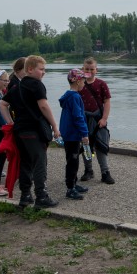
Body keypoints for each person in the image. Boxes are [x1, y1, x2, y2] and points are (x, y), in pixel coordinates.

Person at [2, 55, 60, 209]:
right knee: (40, 162)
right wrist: (55, 126)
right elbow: (43, 106)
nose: (43, 73)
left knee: (26, 163)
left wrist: (10, 122)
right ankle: (41, 196)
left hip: (20, 130)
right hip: (34, 130)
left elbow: (2, 104)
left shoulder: (16, 86)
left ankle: (25, 195)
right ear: (30, 69)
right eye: (41, 69)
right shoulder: (36, 85)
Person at [79, 57, 115, 184]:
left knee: (101, 146)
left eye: (91, 69)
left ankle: (105, 172)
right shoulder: (78, 84)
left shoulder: (101, 84)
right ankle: (88, 170)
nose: (89, 71)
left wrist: (104, 118)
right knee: (86, 146)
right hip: (83, 120)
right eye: (86, 69)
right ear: (82, 70)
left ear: (96, 70)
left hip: (99, 119)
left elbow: (107, 102)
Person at [58, 68, 92, 201]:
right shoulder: (75, 97)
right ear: (77, 81)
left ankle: (74, 183)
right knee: (73, 161)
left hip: (69, 134)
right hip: (73, 135)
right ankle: (70, 188)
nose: (85, 82)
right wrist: (85, 134)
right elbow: (78, 117)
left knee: (73, 159)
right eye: (83, 80)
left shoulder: (69, 96)